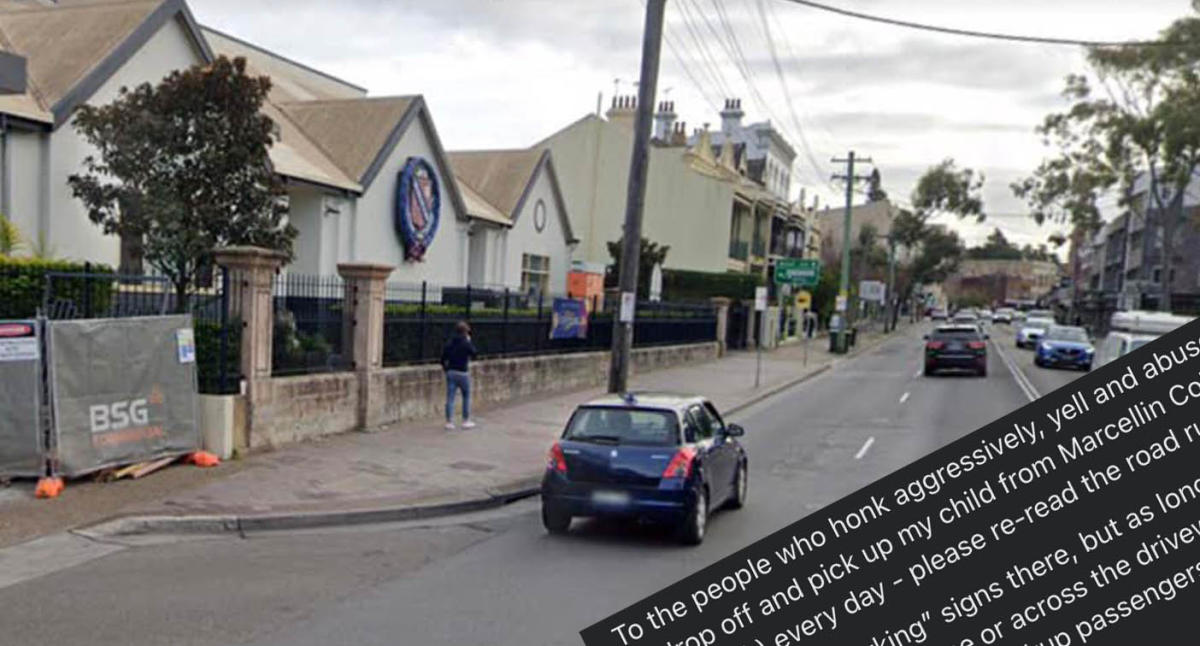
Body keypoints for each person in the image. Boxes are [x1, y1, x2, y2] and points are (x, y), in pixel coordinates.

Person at [441, 321, 478, 429]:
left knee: (450, 397)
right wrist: (469, 342)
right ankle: (465, 420)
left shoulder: (450, 343)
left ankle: (449, 422)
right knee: (466, 396)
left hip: (451, 371)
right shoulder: (466, 343)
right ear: (466, 332)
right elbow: (474, 354)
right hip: (463, 372)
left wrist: (446, 369)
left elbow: (443, 358)